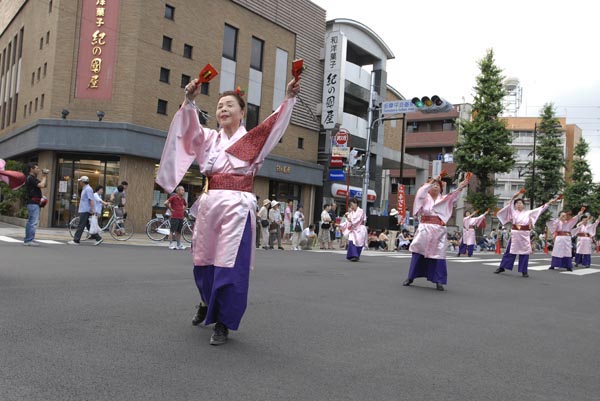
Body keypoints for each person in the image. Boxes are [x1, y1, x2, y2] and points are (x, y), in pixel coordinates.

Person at [156, 75, 301, 345]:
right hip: (210, 203)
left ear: (242, 112)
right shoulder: (209, 138)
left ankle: (223, 322)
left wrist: (289, 97)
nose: (223, 109)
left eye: (229, 105)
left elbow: (275, 125)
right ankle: (206, 300)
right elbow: (189, 131)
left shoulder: (255, 140)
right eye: (220, 105)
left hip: (237, 205)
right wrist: (189, 100)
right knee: (203, 262)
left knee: (229, 265)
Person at [403, 173, 471, 291]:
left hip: (438, 229)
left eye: (437, 185)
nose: (435, 186)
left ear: (441, 188)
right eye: (432, 184)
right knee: (418, 252)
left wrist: (460, 187)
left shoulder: (444, 199)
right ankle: (411, 277)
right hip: (424, 228)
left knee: (438, 255)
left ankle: (439, 280)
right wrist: (433, 180)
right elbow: (420, 192)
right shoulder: (424, 197)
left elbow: (454, 196)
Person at [494, 191, 560, 277]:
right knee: (509, 251)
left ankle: (524, 271)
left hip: (524, 234)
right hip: (515, 234)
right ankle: (502, 266)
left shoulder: (528, 213)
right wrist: (514, 196)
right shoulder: (513, 212)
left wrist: (550, 202)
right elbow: (509, 205)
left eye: (520, 203)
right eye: (517, 203)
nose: (519, 204)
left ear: (523, 205)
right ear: (515, 205)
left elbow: (540, 209)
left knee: (524, 253)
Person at [68, 176, 103, 246]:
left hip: (86, 210)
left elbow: (91, 199)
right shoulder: (86, 189)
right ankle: (98, 238)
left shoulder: (88, 189)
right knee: (87, 225)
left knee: (81, 225)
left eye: (80, 181)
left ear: (83, 182)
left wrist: (93, 209)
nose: (80, 182)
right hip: (84, 209)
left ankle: (76, 240)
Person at [23, 163, 48, 246]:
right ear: (31, 169)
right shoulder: (31, 178)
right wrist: (44, 176)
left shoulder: (32, 178)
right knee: (33, 222)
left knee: (30, 222)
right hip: (33, 203)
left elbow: (44, 185)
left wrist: (45, 177)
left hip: (33, 203)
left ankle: (28, 239)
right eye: (36, 168)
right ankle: (29, 240)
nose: (38, 169)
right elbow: (42, 185)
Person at [165, 185, 188, 250]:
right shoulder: (173, 197)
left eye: (184, 190)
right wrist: (170, 209)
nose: (183, 191)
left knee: (179, 232)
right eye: (182, 190)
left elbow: (186, 205)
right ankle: (170, 244)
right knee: (172, 231)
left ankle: (178, 244)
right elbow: (166, 203)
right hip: (174, 217)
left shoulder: (183, 199)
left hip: (181, 217)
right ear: (178, 191)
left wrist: (183, 210)